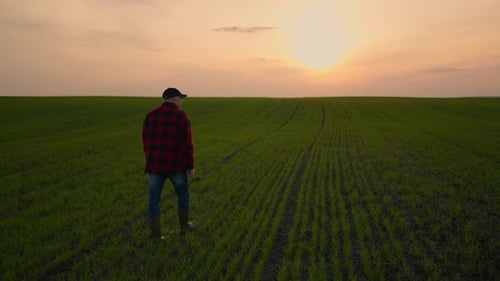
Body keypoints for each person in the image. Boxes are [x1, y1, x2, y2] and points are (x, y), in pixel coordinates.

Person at [142, 87, 197, 240]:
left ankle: (155, 235)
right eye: (180, 99)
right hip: (176, 166)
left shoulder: (150, 115)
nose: (181, 102)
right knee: (183, 194)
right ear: (174, 99)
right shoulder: (181, 116)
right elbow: (188, 144)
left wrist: (150, 159)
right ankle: (184, 226)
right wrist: (190, 166)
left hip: (155, 166)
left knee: (154, 199)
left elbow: (145, 140)